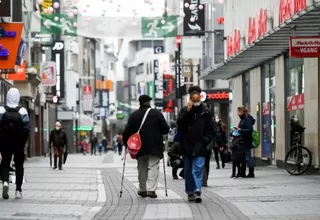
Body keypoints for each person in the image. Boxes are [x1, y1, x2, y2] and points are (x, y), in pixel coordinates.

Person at [123, 95, 170, 198]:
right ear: (149, 102)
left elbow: (126, 131)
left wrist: (125, 143)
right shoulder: (157, 114)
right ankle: (151, 190)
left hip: (139, 146)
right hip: (155, 145)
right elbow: (166, 129)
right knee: (153, 166)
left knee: (142, 168)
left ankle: (143, 189)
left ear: (140, 103)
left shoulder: (133, 115)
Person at [177, 86, 214, 203]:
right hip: (187, 145)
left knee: (197, 169)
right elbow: (180, 125)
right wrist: (187, 112)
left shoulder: (206, 111)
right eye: (193, 97)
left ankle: (197, 191)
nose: (196, 99)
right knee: (188, 170)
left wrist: (206, 140)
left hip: (200, 144)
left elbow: (210, 128)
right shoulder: (184, 110)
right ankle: (190, 192)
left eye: (197, 97)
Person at [0, 88, 30, 199]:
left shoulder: (1, 110)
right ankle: (18, 190)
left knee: (5, 163)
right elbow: (27, 129)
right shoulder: (23, 111)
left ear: (7, 96)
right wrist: (23, 142)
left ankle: (5, 183)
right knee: (19, 165)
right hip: (18, 143)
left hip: (5, 142)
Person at [236, 106, 255, 178]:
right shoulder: (243, 119)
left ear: (243, 112)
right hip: (243, 140)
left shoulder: (247, 119)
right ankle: (243, 172)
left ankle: (251, 172)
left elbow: (250, 130)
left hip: (247, 141)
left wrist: (240, 130)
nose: (237, 113)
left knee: (248, 157)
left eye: (239, 112)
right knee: (244, 157)